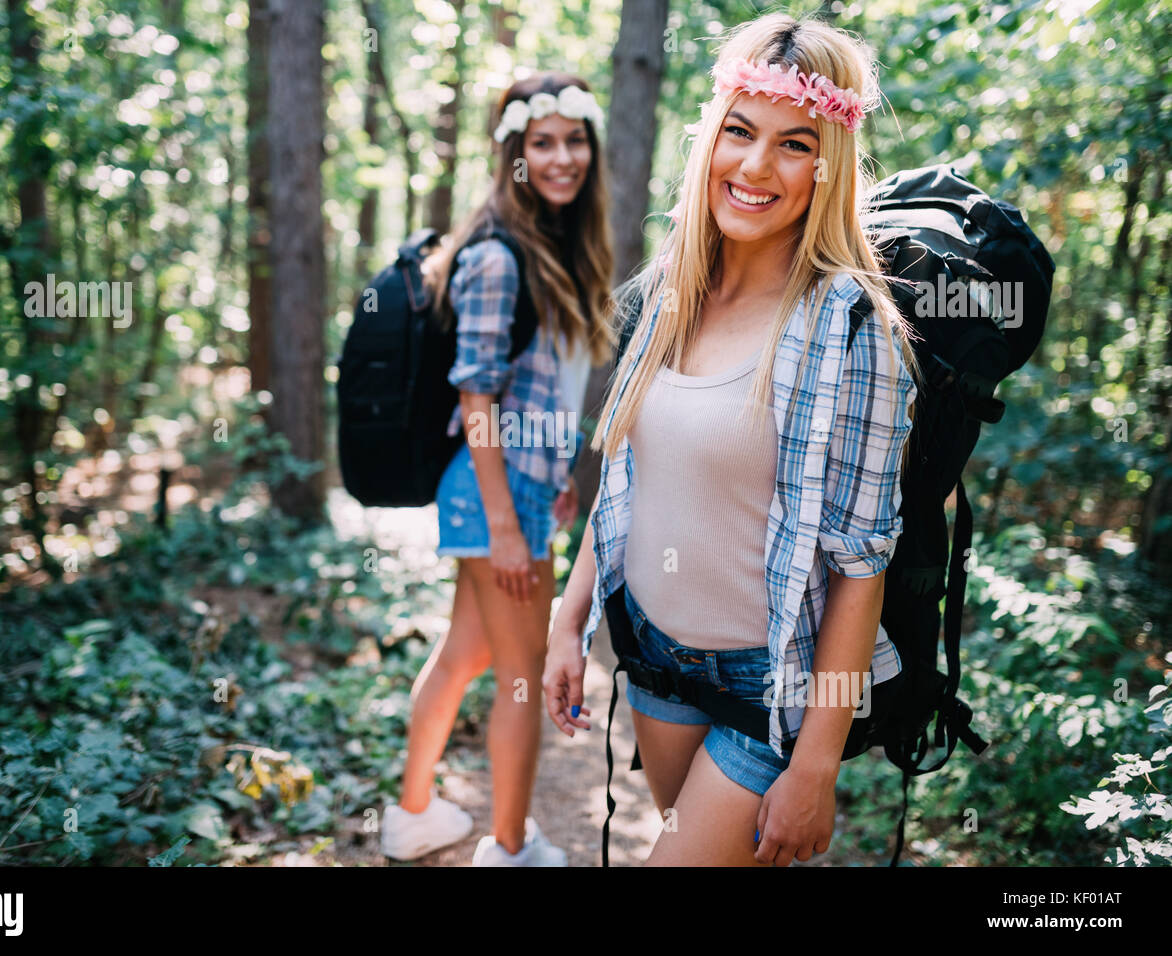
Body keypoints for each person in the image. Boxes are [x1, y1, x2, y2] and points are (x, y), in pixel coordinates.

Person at [542, 13, 923, 866]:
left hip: (772, 692)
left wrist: (816, 764)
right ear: (711, 133)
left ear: (829, 166)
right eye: (740, 131)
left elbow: (860, 569)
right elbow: (630, 479)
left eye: (795, 143)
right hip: (655, 659)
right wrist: (570, 621)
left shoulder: (854, 331)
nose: (755, 167)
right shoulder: (674, 287)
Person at [380, 73, 614, 866]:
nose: (561, 158)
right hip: (494, 493)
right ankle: (510, 849)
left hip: (518, 484)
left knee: (467, 655)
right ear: (513, 151)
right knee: (520, 676)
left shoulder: (551, 248)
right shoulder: (497, 256)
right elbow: (476, 396)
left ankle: (414, 816)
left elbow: (534, 387)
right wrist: (508, 525)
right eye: (541, 143)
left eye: (574, 140)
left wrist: (559, 476)